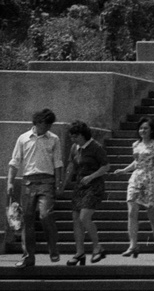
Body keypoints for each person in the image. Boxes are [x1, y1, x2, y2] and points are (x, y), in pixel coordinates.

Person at [8, 108, 63, 267]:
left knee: (45, 215)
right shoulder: (24, 138)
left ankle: (53, 247)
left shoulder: (54, 139)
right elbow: (15, 162)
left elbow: (58, 162)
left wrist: (59, 183)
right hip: (28, 181)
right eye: (46, 124)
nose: (48, 128)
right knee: (27, 220)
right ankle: (28, 256)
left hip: (47, 181)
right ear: (38, 123)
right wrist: (10, 182)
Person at [115, 116, 154, 258]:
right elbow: (137, 162)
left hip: (150, 179)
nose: (142, 130)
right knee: (131, 211)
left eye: (146, 128)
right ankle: (133, 245)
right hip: (136, 178)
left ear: (151, 130)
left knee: (151, 213)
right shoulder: (136, 144)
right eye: (141, 128)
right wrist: (124, 170)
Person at [64, 120, 108, 265]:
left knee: (84, 217)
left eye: (75, 136)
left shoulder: (95, 147)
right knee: (76, 219)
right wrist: (63, 183)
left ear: (83, 135)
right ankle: (80, 252)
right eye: (72, 136)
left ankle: (97, 247)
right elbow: (71, 165)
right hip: (79, 186)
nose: (73, 139)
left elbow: (106, 166)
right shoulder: (74, 148)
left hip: (94, 186)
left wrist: (91, 177)